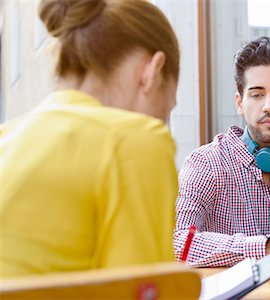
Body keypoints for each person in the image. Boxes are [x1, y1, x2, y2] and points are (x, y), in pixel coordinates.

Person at [0, 0, 180, 277]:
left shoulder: (7, 137)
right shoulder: (135, 141)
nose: (161, 123)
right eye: (166, 110)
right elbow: (141, 292)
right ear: (151, 72)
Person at [174, 36, 270, 267]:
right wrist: (268, 248)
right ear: (239, 103)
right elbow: (179, 243)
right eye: (256, 94)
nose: (269, 106)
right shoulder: (205, 163)